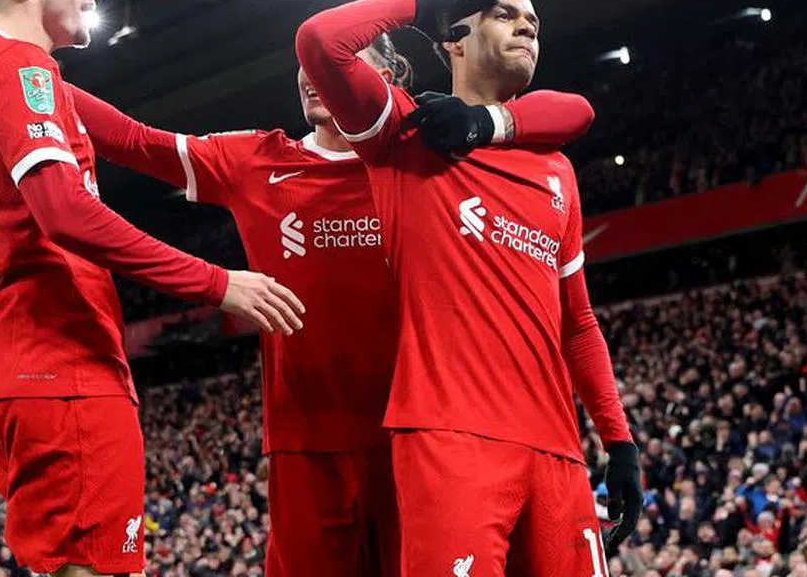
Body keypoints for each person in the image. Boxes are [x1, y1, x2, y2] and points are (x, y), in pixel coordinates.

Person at [68, 29, 596, 576]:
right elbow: (133, 140)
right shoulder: (255, 160)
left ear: (385, 79)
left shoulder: (420, 154)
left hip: (420, 441)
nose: (310, 74)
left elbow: (569, 112)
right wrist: (35, 72)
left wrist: (488, 124)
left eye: (337, 63)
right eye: (303, 65)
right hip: (307, 443)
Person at [0, 0, 303, 577]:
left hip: (0, 373)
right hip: (62, 367)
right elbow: (64, 211)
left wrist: (274, 158)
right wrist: (217, 282)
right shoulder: (16, 66)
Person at [295, 0, 643, 576]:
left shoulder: (555, 168)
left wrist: (619, 441)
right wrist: (424, 3)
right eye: (505, 15)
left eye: (533, 22)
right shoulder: (406, 132)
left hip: (558, 449)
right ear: (453, 39)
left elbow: (578, 323)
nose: (527, 27)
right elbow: (320, 41)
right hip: (449, 437)